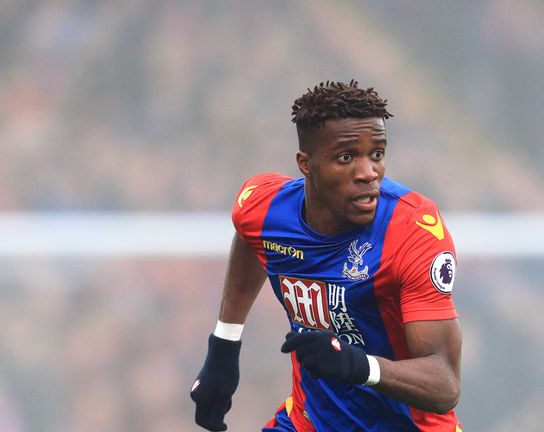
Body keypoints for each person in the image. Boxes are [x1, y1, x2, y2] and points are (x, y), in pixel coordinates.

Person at [190, 80, 462, 431]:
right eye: (346, 157)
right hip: (309, 422)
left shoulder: (413, 231)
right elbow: (250, 234)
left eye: (377, 154)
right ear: (306, 163)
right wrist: (223, 349)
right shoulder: (265, 206)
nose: (368, 173)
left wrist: (358, 365)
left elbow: (445, 384)